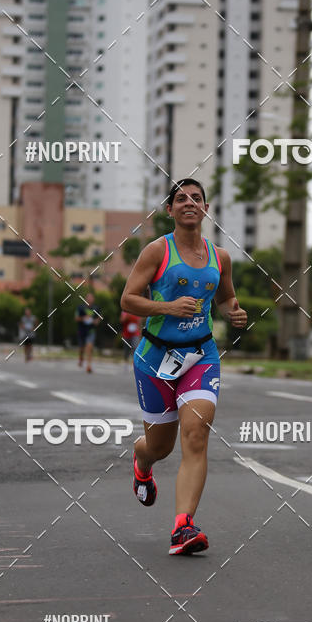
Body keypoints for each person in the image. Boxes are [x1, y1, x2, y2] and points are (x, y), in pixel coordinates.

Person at [120, 178, 247, 555]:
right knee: (160, 447)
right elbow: (128, 299)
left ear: (206, 209)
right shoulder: (157, 251)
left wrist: (234, 312)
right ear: (170, 210)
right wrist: (167, 308)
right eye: (181, 198)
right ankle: (142, 461)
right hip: (155, 359)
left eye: (196, 198)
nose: (189, 202)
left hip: (200, 356)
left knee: (196, 435)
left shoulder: (220, 257)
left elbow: (225, 297)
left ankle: (183, 526)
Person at [76, 291, 99, 372]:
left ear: (93, 299)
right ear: (85, 299)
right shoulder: (80, 307)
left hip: (91, 331)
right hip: (82, 330)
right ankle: (81, 358)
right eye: (88, 298)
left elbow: (98, 318)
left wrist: (96, 321)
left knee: (89, 347)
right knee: (81, 348)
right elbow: (76, 318)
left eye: (91, 298)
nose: (90, 299)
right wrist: (83, 318)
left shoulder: (96, 308)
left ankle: (89, 365)